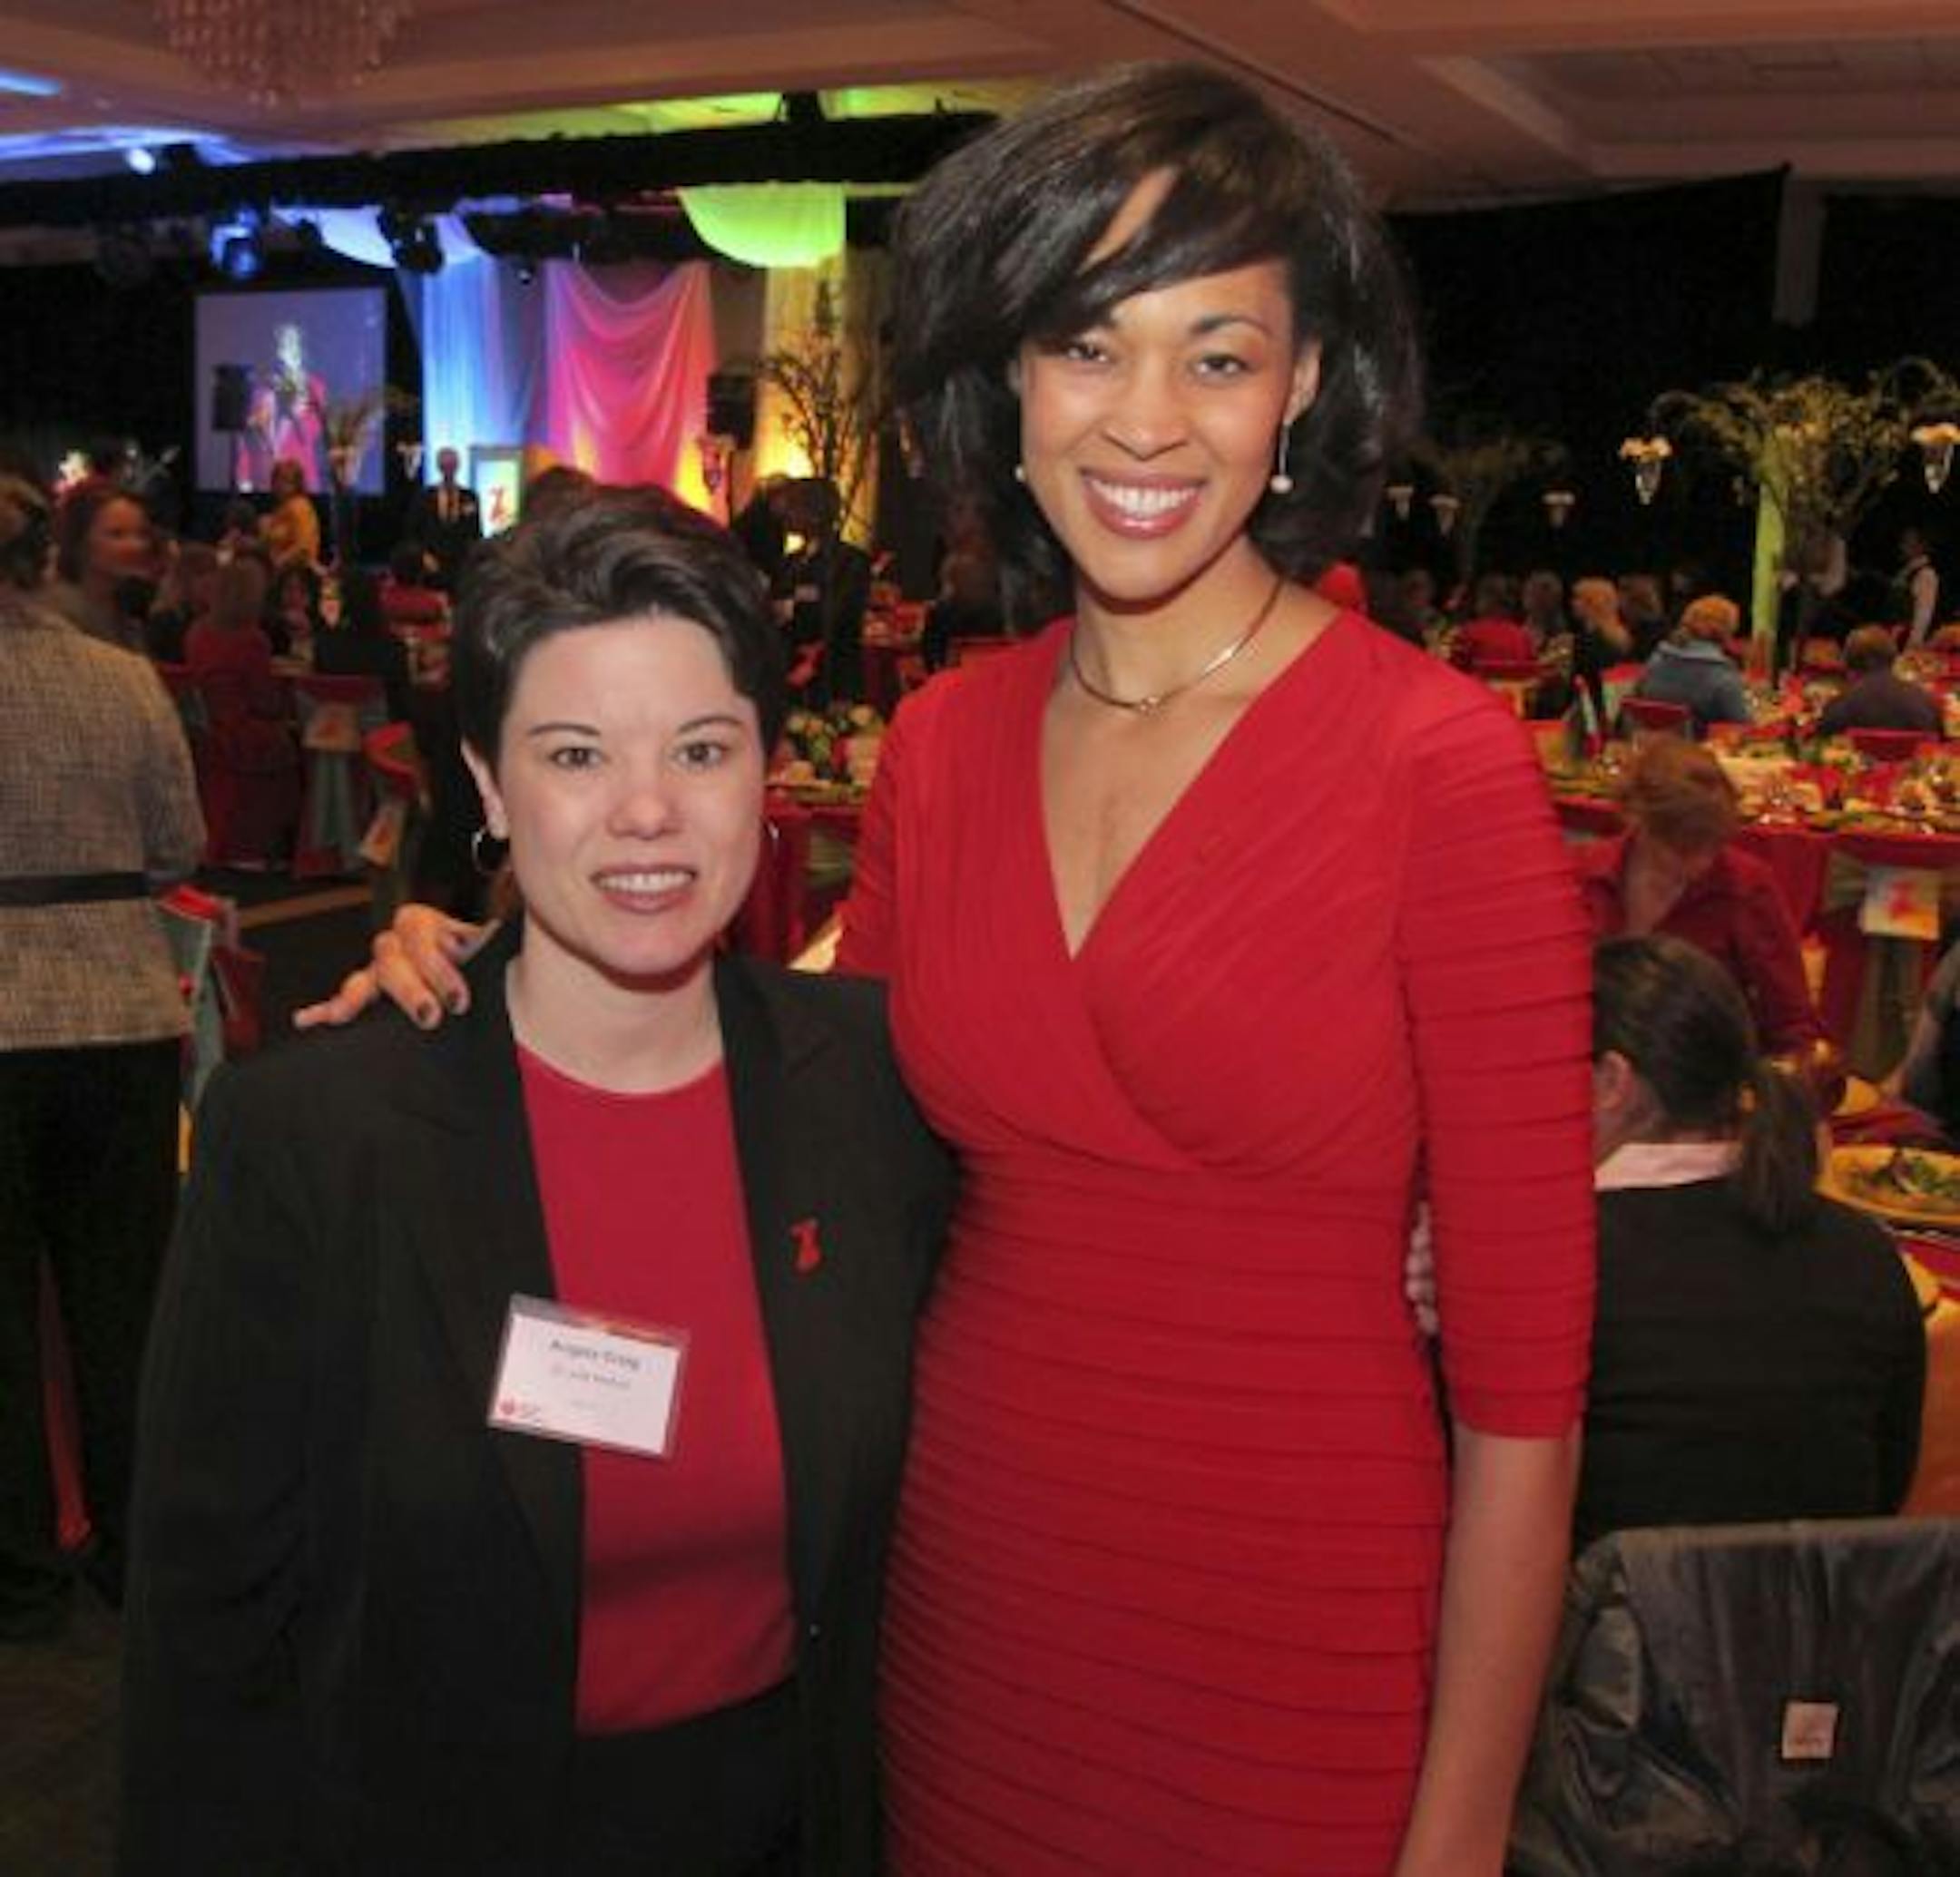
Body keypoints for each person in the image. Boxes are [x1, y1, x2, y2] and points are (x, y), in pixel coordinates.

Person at [304, 64, 1597, 1876]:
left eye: (1218, 354)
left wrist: (1458, 1829)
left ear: (1306, 386)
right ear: (1012, 379)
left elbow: (1530, 1403)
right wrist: (482, 974)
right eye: (1089, 344)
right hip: (966, 1603)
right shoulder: (946, 741)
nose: (1147, 420)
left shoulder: (1436, 762)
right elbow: (788, 1060)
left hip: (1301, 1621)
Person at [120, 487, 953, 1875]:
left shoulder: (874, 1089)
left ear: (765, 768)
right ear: (492, 787)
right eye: (576, 754)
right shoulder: (323, 1139)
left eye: (702, 748)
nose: (646, 812)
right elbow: (205, 1651)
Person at [0, 473, 203, 1640]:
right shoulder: (124, 681)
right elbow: (180, 841)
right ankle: (138, 1553)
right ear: (46, 562)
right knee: (124, 1303)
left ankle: (21, 1576)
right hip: (121, 1015)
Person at [1579, 934, 1924, 1550]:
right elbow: (1882, 1496)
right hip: (1825, 1632)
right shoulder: (1866, 1255)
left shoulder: (1567, 1263)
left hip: (1608, 1634)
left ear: (1611, 1081)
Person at [1573, 738, 1825, 1061]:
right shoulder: (1583, 877)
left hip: (1703, 1080)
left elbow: (1792, 1022)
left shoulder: (1746, 887)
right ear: (1640, 822)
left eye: (1713, 845)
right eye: (1684, 849)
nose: (1701, 863)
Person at [45, 484, 155, 652]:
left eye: (142, 534)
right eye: (117, 534)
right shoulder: (56, 616)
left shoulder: (125, 608)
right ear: (80, 542)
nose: (136, 546)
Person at [1632, 591, 1751, 733]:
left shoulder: (1656, 660)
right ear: (1727, 631)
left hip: (1652, 748)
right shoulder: (1722, 675)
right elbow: (1743, 727)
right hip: (1700, 752)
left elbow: (1636, 702)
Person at [236, 319, 328, 493]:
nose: (286, 352)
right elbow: (247, 441)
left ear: (301, 350)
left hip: (301, 479)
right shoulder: (262, 392)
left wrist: (293, 410)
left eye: (292, 345)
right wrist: (244, 478)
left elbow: (312, 436)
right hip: (266, 479)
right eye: (282, 346)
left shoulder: (314, 388)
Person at [1816, 622, 1945, 738]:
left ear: (1848, 666)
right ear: (1893, 660)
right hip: (1911, 763)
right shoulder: (1925, 703)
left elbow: (1820, 743)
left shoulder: (1840, 707)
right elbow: (1941, 744)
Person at [410, 445, 484, 591]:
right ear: (439, 467)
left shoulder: (470, 497)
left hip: (461, 567)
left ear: (457, 467)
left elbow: (476, 533)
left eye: (452, 465)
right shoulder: (424, 497)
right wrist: (423, 556)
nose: (448, 470)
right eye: (445, 465)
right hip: (432, 565)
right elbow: (412, 533)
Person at [261, 457, 322, 573]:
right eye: (276, 480)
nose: (279, 485)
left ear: (296, 484)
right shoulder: (281, 509)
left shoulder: (300, 507)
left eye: (285, 481)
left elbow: (303, 547)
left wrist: (278, 563)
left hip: (295, 574)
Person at [1895, 525, 1941, 650]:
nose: (1901, 546)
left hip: (1904, 645)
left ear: (1921, 546)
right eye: (1902, 542)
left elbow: (1922, 619)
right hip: (1893, 639)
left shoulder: (1926, 575)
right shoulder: (1906, 571)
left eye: (1907, 542)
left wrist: (1910, 651)